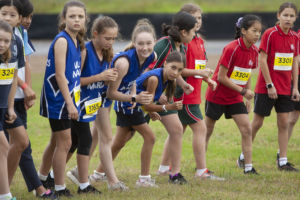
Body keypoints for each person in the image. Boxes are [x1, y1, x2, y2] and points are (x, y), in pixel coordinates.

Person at [66, 16, 127, 191]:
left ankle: (76, 174)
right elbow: (74, 80)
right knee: (71, 143)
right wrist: (100, 77)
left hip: (98, 101)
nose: (111, 42)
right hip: (81, 104)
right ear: (95, 34)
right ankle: (54, 176)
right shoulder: (85, 51)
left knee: (98, 138)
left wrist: (110, 78)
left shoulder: (108, 53)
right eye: (107, 38)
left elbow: (102, 82)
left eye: (114, 39)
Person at [96, 19, 156, 187]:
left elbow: (136, 79)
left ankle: (97, 174)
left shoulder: (152, 55)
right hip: (117, 102)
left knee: (119, 141)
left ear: (154, 42)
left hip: (130, 100)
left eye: (149, 43)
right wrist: (134, 99)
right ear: (134, 43)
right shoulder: (123, 63)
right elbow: (111, 93)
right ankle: (143, 179)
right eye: (141, 44)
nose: (145, 47)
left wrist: (136, 94)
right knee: (150, 137)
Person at [242, 2, 300, 171]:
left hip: (285, 88)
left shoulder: (295, 37)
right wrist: (269, 85)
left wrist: (294, 87)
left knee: (283, 123)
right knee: (258, 123)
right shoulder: (269, 34)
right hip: (266, 88)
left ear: (295, 18)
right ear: (278, 16)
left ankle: (282, 160)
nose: (288, 19)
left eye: (291, 16)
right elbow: (262, 60)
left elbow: (294, 63)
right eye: (285, 15)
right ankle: (243, 155)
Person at [39, 0, 87, 197]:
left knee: (56, 141)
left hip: (67, 98)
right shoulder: (62, 40)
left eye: (80, 16)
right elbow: (60, 76)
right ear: (64, 18)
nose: (76, 20)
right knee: (64, 144)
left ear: (85, 19)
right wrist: (69, 103)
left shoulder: (76, 41)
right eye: (72, 16)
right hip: (58, 100)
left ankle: (42, 177)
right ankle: (59, 187)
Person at [170, 3, 223, 180]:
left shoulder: (199, 41)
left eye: (200, 18)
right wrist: (200, 73)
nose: (198, 21)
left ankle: (164, 167)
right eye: (194, 18)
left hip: (194, 94)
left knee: (177, 130)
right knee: (200, 129)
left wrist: (207, 79)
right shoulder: (184, 44)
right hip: (185, 94)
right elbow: (178, 70)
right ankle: (201, 171)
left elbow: (198, 67)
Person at [205, 15, 262, 174]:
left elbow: (247, 73)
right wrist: (243, 91)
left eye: (259, 31)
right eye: (254, 31)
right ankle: (201, 165)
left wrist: (246, 96)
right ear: (243, 31)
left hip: (236, 96)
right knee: (208, 129)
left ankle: (248, 167)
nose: (257, 35)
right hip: (218, 94)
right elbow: (221, 78)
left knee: (246, 129)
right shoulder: (231, 48)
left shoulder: (255, 51)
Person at [150, 11, 197, 183]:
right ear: (184, 32)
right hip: (146, 95)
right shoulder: (163, 45)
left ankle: (175, 174)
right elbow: (149, 70)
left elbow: (174, 71)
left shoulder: (181, 46)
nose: (194, 35)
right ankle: (100, 172)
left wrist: (183, 84)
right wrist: (158, 93)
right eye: (193, 31)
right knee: (125, 136)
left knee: (176, 130)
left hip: (165, 98)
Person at [0, 19, 18, 200]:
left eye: (6, 41)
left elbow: (13, 81)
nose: (2, 44)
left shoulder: (10, 57)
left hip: (2, 109)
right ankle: (5, 195)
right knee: (3, 147)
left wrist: (10, 106)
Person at [287, 29, 300, 146]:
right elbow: (297, 60)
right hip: (298, 79)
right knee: (292, 119)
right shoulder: (298, 37)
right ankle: (281, 153)